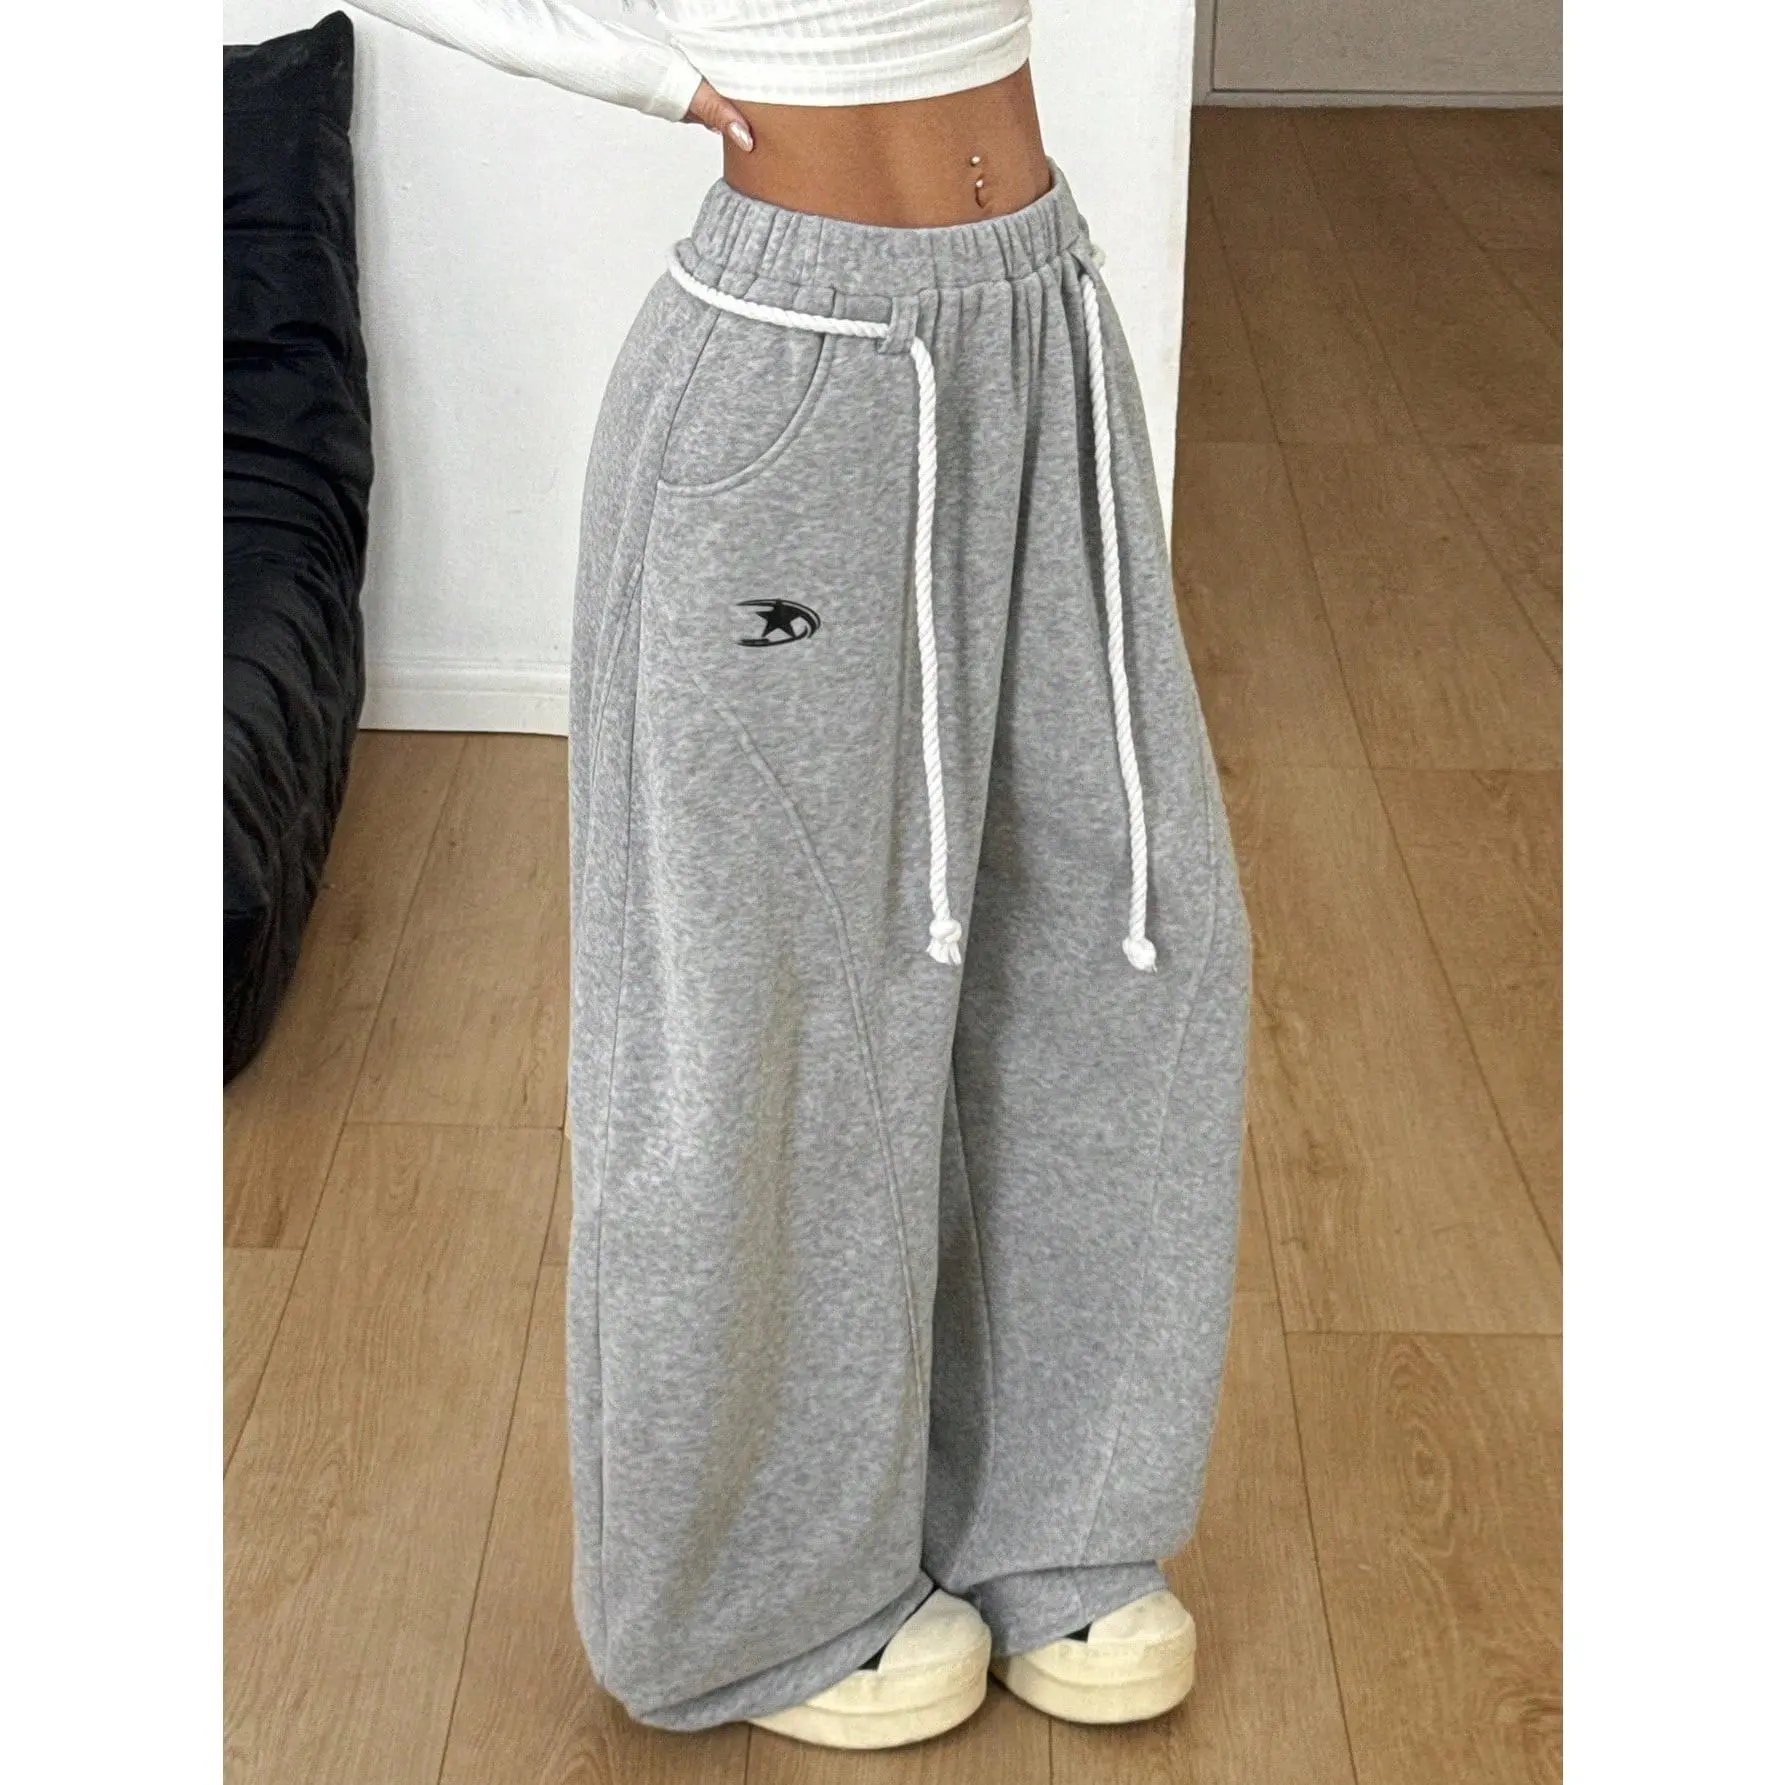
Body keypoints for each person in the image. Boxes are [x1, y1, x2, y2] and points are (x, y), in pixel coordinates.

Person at [346, 0, 1251, 1750]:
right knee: (766, 1016)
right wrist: (653, 72)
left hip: (1040, 317)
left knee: (1117, 941)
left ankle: (1054, 1523)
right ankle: (754, 1600)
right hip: (793, 363)